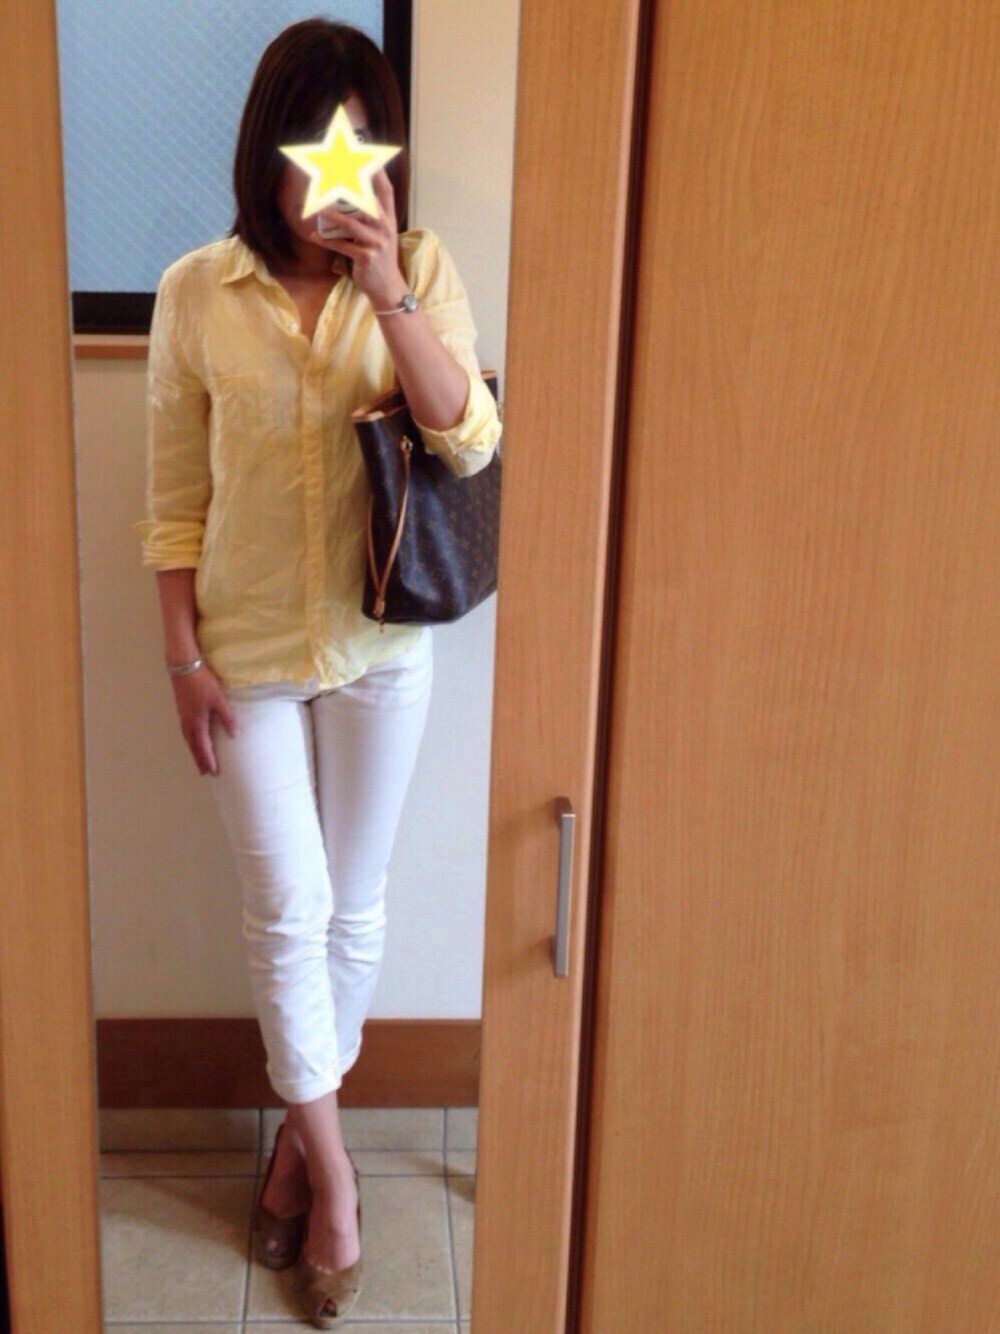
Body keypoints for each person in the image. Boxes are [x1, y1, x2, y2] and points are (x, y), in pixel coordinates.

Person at [132, 18, 501, 1327]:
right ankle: (335, 1179)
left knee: (356, 907)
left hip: (380, 644)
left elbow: (468, 440)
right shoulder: (193, 291)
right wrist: (179, 656)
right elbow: (173, 501)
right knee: (286, 908)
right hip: (242, 655)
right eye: (312, 142)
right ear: (267, 147)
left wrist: (388, 285)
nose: (333, 171)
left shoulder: (422, 265)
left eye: (360, 143)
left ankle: (296, 1139)